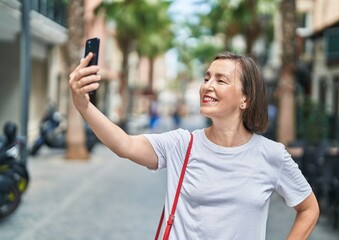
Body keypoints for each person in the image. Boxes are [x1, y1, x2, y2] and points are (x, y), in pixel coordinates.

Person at [69, 51, 319, 239]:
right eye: (207, 77)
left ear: (245, 98)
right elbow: (124, 144)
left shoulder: (271, 155)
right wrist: (84, 106)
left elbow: (308, 208)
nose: (207, 86)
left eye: (221, 80)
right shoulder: (181, 144)